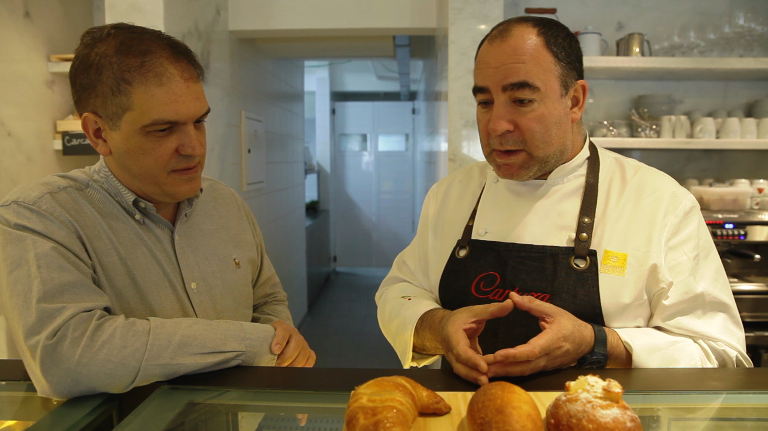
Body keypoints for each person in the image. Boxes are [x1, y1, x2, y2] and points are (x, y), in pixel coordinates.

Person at [376, 16, 751, 386]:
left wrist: (596, 343)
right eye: (485, 102)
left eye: (521, 100)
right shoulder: (451, 196)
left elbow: (718, 354)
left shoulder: (659, 203)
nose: (496, 125)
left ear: (575, 100)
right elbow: (399, 293)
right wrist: (440, 327)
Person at [0, 23, 315, 400]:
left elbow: (267, 301)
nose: (194, 148)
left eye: (199, 121)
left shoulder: (225, 203)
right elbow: (66, 357)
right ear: (98, 133)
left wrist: (279, 342)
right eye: (164, 130)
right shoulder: (39, 217)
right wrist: (251, 343)